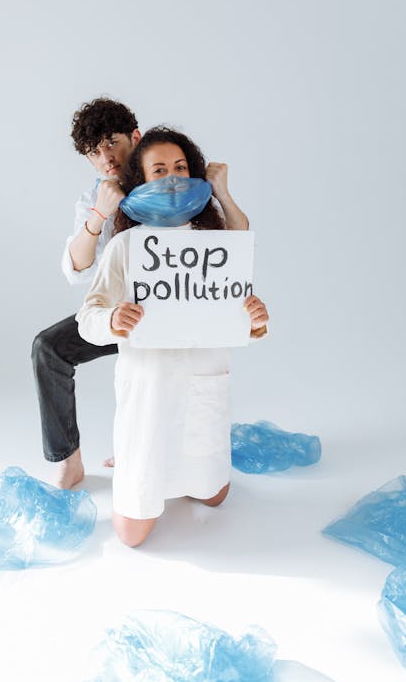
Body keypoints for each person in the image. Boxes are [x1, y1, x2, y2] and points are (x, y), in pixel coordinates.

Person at [32, 99, 250, 489]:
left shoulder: (171, 172)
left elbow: (233, 245)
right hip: (124, 314)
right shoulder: (97, 196)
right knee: (49, 348)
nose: (105, 158)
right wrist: (99, 215)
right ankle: (69, 460)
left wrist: (221, 191)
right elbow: (77, 269)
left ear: (134, 137)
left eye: (111, 143)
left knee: (168, 374)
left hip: (181, 310)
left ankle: (161, 448)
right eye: (93, 153)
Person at [76, 127, 269, 547]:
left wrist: (254, 321)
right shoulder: (125, 246)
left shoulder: (217, 246)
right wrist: (113, 319)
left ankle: (195, 472)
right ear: (140, 182)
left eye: (181, 168)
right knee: (131, 533)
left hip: (205, 383)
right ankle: (137, 470)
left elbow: (235, 314)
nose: (173, 179)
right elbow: (87, 318)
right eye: (159, 170)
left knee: (213, 494)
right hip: (149, 389)